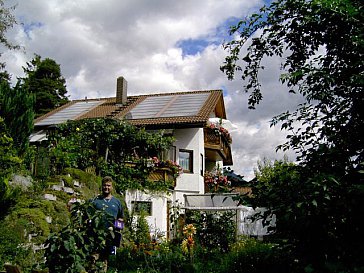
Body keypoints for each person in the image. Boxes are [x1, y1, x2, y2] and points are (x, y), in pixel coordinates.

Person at [91, 176, 124, 271]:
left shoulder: (117, 202)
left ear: (112, 187)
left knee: (105, 259)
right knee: (93, 259)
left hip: (110, 237)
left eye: (108, 185)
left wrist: (118, 231)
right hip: (96, 236)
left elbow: (120, 218)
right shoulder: (96, 201)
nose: (106, 187)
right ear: (101, 186)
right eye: (104, 185)